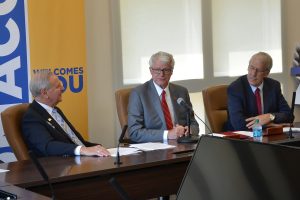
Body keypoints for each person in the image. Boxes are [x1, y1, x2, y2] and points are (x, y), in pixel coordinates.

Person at [22, 70, 110, 157]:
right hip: (59, 167)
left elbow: (74, 141)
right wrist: (83, 150)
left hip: (79, 160)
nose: (63, 89)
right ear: (44, 93)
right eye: (58, 86)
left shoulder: (56, 110)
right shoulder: (31, 117)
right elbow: (48, 146)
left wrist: (98, 148)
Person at [128, 51, 199, 143]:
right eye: (157, 70)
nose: (161, 74)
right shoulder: (139, 94)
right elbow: (135, 132)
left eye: (166, 70)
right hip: (154, 150)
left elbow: (194, 124)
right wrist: (168, 134)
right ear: (151, 71)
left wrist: (189, 130)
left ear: (172, 71)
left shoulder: (181, 91)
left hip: (182, 145)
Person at [226, 52, 292, 131]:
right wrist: (267, 125)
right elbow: (238, 124)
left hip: (268, 138)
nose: (253, 74)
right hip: (240, 138)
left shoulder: (274, 86)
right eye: (251, 68)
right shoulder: (236, 88)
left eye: (259, 70)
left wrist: (269, 117)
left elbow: (289, 115)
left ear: (266, 73)